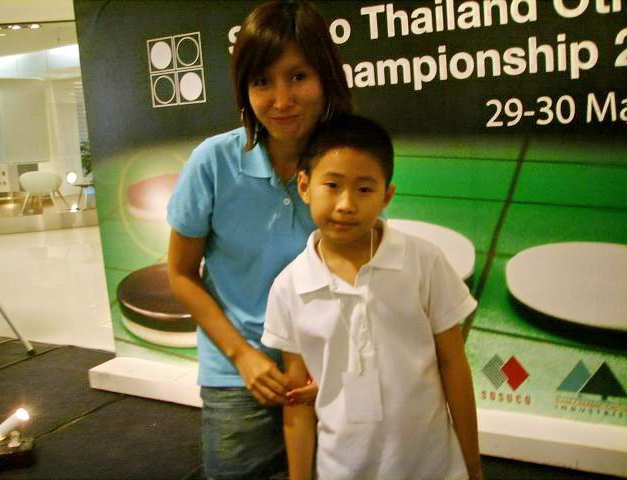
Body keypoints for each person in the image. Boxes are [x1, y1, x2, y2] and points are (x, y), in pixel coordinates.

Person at [166, 0, 352, 478]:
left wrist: (341, 367)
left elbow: (362, 277)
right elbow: (181, 273)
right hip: (239, 377)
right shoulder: (212, 162)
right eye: (262, 81)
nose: (281, 99)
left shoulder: (349, 165)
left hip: (326, 371)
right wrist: (242, 356)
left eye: (298, 76)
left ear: (326, 76)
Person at [262, 114, 483, 480]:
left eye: (364, 189)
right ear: (304, 186)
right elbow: (297, 401)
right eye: (332, 185)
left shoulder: (423, 261)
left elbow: (454, 366)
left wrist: (472, 466)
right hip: (341, 468)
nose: (346, 204)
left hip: (432, 467)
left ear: (386, 196)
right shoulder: (289, 288)